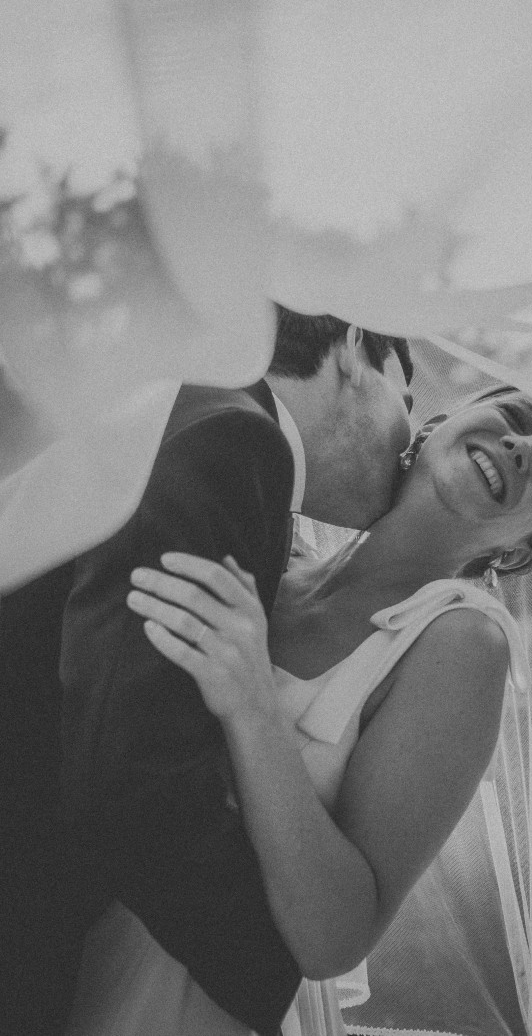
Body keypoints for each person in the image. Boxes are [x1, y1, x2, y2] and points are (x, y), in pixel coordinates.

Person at [67, 385, 532, 1035]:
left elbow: (336, 937)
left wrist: (255, 711)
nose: (523, 449)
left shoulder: (462, 641)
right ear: (434, 425)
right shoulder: (280, 550)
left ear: (519, 551)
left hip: (192, 998)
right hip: (79, 921)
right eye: (517, 420)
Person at [6, 306, 411, 1036]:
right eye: (405, 401)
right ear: (354, 349)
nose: (408, 442)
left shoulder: (184, 401)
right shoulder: (239, 440)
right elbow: (124, 764)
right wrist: (269, 967)